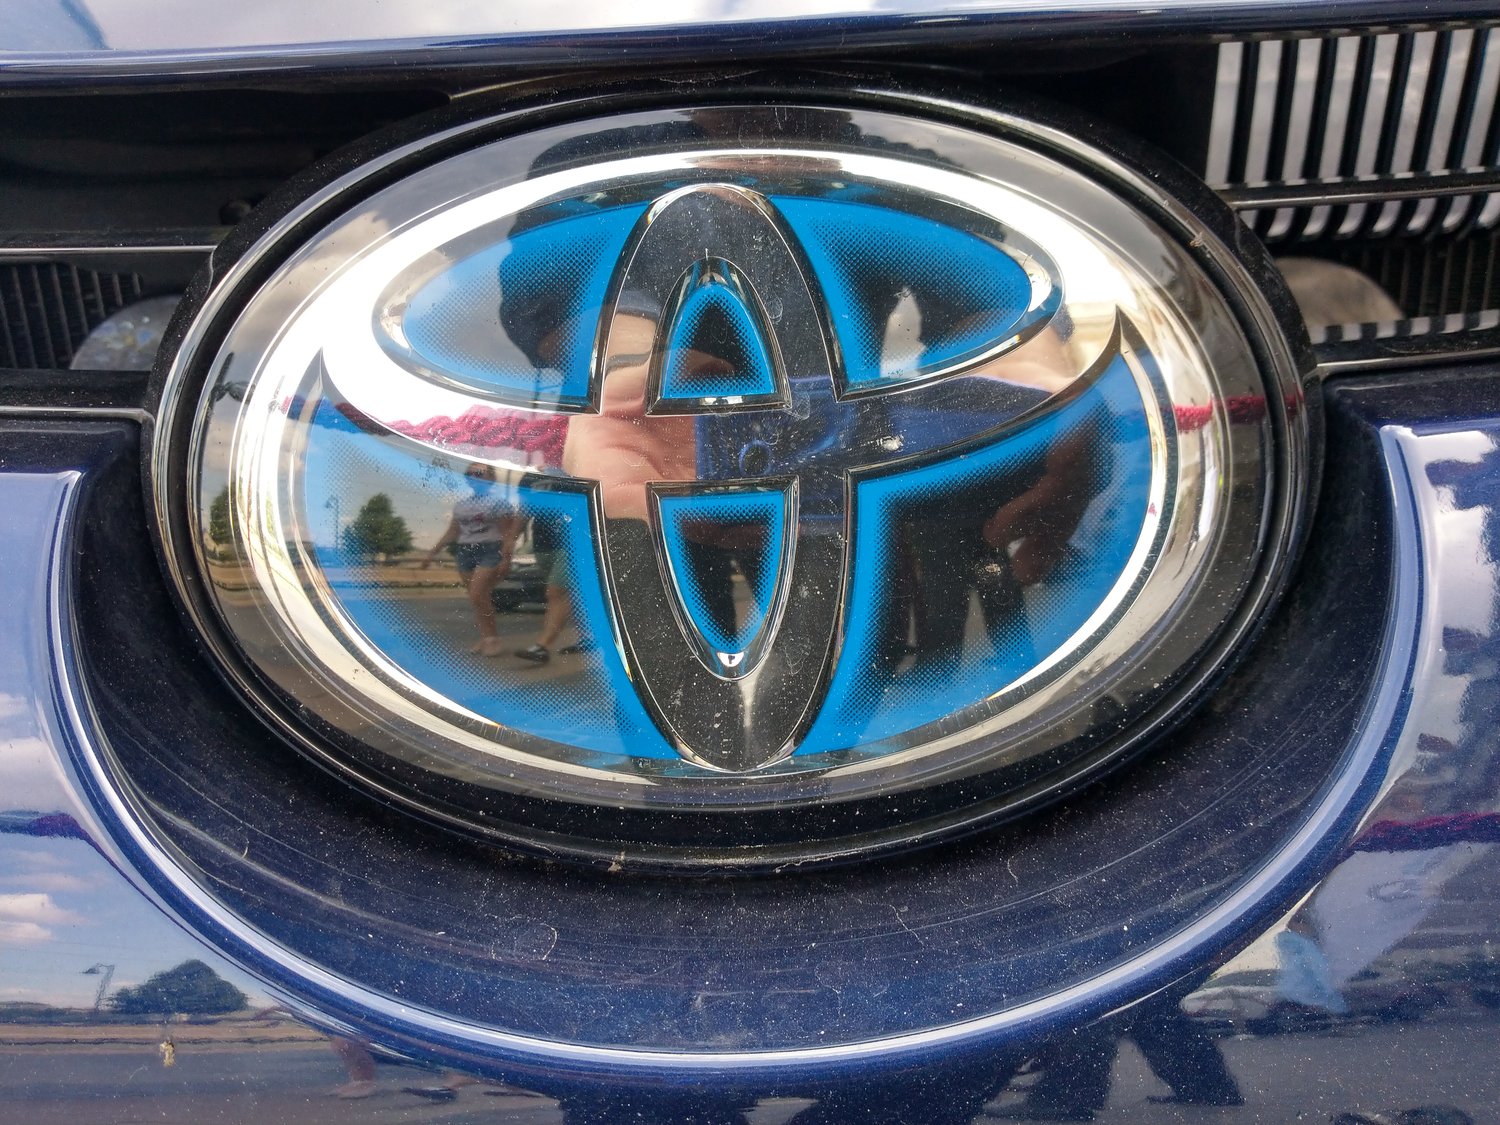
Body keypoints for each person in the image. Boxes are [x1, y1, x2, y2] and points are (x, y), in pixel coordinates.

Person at [423, 463, 518, 657]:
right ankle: (487, 637)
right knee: (478, 599)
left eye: (479, 473)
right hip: (465, 551)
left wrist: (506, 559)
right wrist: (432, 553)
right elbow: (452, 531)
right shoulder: (461, 506)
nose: (474, 477)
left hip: (491, 549)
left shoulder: (499, 503)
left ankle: (492, 640)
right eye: (470, 473)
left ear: (491, 478)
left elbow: (508, 534)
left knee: (477, 593)